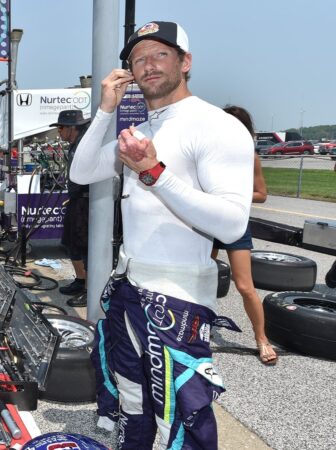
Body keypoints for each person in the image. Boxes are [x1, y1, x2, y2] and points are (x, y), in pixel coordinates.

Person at [70, 21, 254, 449]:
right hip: (129, 289)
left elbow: (231, 224)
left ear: (185, 62)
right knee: (130, 402)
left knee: (182, 413)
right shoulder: (142, 129)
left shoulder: (217, 125)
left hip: (179, 298)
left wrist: (154, 173)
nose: (147, 65)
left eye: (159, 55)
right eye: (138, 58)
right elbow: (81, 172)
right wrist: (104, 111)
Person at [211, 105, 276, 365]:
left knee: (245, 286)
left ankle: (262, 339)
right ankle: (193, 330)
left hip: (235, 224)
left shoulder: (251, 158)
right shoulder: (207, 153)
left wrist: (234, 196)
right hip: (207, 222)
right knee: (198, 279)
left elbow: (261, 194)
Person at [50, 110, 92, 306]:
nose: (59, 132)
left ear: (72, 128)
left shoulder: (85, 145)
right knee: (71, 243)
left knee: (86, 247)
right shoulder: (74, 145)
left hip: (87, 202)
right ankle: (80, 280)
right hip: (76, 200)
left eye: (60, 127)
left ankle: (90, 290)